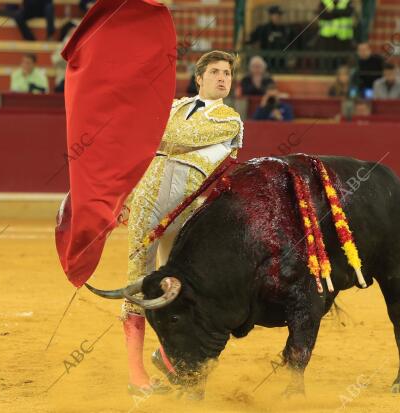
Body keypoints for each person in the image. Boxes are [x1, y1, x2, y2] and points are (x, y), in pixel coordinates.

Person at [122, 50, 243, 395]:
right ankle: (136, 375)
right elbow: (142, 140)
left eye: (228, 74)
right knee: (137, 281)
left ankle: (170, 357)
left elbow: (174, 138)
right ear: (199, 77)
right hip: (147, 197)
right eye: (216, 72)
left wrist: (157, 133)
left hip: (189, 210)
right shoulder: (174, 108)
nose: (223, 78)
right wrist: (125, 197)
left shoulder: (230, 119)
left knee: (183, 285)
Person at [245, 5, 292, 71]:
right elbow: (249, 40)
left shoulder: (285, 29)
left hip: (281, 63)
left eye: (279, 15)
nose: (278, 17)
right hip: (266, 62)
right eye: (275, 15)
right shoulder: (263, 28)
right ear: (270, 16)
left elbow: (290, 43)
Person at [52, 23, 76, 93]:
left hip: (75, 79)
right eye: (71, 32)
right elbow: (55, 61)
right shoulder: (61, 45)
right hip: (62, 79)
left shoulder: (80, 46)